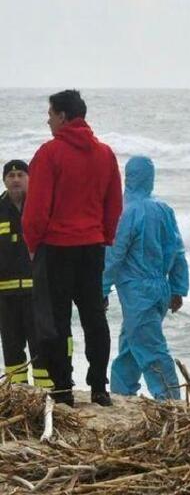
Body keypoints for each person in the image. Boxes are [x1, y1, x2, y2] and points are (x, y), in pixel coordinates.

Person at [23, 89, 122, 407]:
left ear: (63, 117)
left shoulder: (50, 153)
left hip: (56, 247)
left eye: (50, 114)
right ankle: (99, 387)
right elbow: (114, 204)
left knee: (55, 320)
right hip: (92, 246)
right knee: (94, 317)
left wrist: (32, 243)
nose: (47, 119)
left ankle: (63, 387)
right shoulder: (105, 153)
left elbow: (37, 208)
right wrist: (104, 236)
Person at [103, 156, 188, 400]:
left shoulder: (125, 211)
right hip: (160, 286)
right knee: (131, 345)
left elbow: (115, 254)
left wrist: (101, 287)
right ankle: (122, 393)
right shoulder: (164, 209)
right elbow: (178, 251)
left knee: (150, 348)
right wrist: (178, 288)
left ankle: (170, 400)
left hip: (136, 290)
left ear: (127, 177)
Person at [0, 161, 52, 388]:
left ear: (30, 178)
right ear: (4, 180)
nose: (15, 179)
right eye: (10, 175)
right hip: (5, 295)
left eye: (20, 174)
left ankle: (47, 393)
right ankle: (17, 393)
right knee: (11, 347)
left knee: (42, 345)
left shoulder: (41, 206)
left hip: (37, 291)